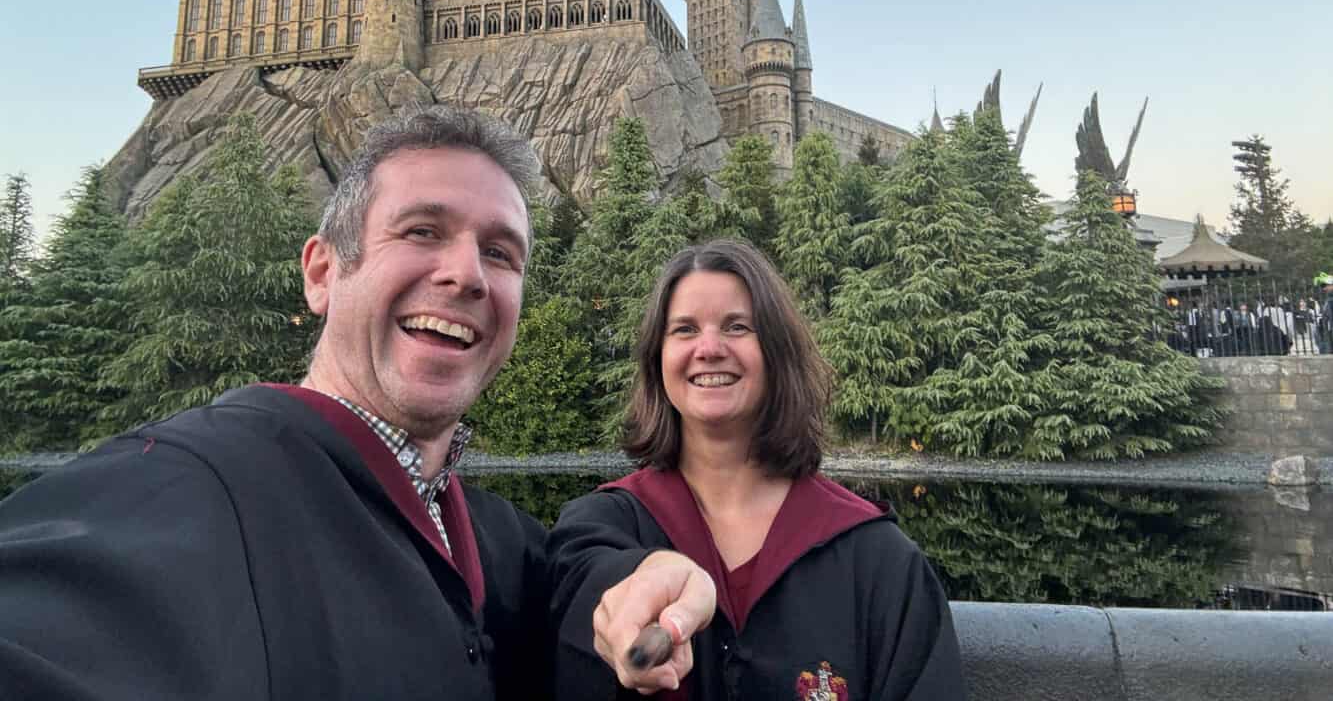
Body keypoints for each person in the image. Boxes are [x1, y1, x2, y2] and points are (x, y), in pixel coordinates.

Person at [0, 106, 558, 700]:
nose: (467, 274)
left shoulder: (498, 535)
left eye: (501, 253)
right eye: (422, 230)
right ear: (322, 274)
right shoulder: (183, 486)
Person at [548, 239, 966, 700]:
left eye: (737, 327)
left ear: (776, 352)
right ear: (657, 361)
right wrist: (645, 584)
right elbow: (583, 582)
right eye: (684, 329)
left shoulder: (879, 561)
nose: (709, 348)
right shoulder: (599, 527)